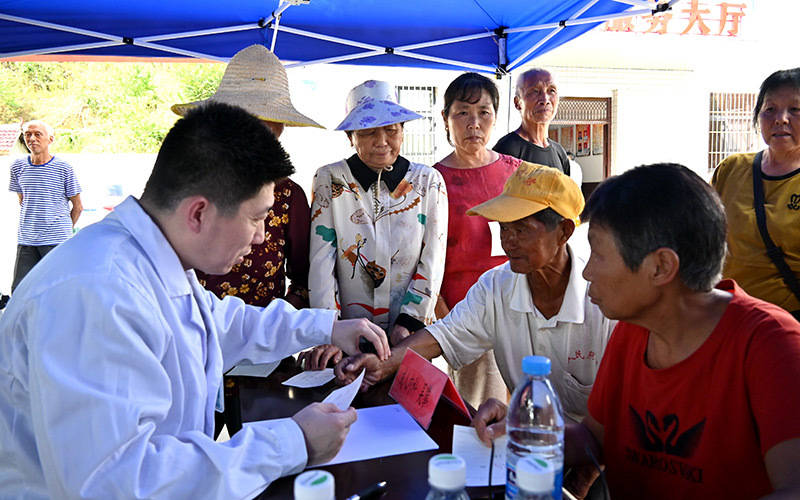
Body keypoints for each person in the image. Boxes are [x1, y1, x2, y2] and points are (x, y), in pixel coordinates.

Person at [0, 103, 390, 499]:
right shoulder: (96, 294)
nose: (259, 237)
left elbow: (218, 322)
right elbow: (118, 483)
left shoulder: (149, 259)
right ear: (199, 213)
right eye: (256, 218)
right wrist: (292, 442)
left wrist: (326, 327)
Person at [474, 164, 800, 499]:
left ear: (660, 267)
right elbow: (593, 439)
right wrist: (523, 431)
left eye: (598, 255)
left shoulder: (770, 345)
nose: (586, 273)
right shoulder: (632, 333)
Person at [337, 163, 616, 422]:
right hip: (527, 443)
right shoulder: (495, 286)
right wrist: (383, 366)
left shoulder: (605, 301)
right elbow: (444, 336)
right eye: (504, 229)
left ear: (564, 231)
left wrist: (580, 473)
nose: (509, 242)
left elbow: (618, 414)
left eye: (521, 230)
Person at [171, 44, 320, 436]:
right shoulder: (184, 191)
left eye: (272, 129)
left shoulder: (289, 196)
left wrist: (284, 327)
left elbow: (303, 280)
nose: (256, 235)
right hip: (191, 348)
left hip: (262, 356)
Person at [302, 80, 448, 370]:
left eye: (391, 130)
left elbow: (432, 259)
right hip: (346, 338)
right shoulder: (330, 180)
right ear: (350, 136)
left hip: (408, 336)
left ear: (403, 131)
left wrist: (408, 323)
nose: (381, 141)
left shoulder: (427, 182)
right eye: (368, 132)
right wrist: (329, 330)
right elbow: (322, 262)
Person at [431, 72, 522, 409]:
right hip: (463, 315)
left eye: (484, 112)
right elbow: (424, 258)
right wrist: (445, 317)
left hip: (516, 310)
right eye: (463, 113)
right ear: (445, 118)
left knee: (519, 407)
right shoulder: (431, 181)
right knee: (477, 410)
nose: (474, 123)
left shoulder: (516, 173)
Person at [712, 68, 800, 320]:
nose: (781, 119)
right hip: (726, 314)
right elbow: (701, 235)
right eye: (770, 109)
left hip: (788, 322)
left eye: (795, 109)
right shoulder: (732, 168)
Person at [8, 120, 82, 292]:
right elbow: (23, 200)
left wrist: (61, 231)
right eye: (28, 134)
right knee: (19, 291)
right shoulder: (17, 167)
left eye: (37, 134)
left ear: (50, 139)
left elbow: (78, 206)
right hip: (27, 241)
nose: (32, 138)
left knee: (58, 290)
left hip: (56, 242)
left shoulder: (64, 168)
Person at [493, 68, 570, 175]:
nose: (545, 99)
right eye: (535, 91)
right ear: (517, 102)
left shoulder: (559, 153)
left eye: (551, 90)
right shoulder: (507, 149)